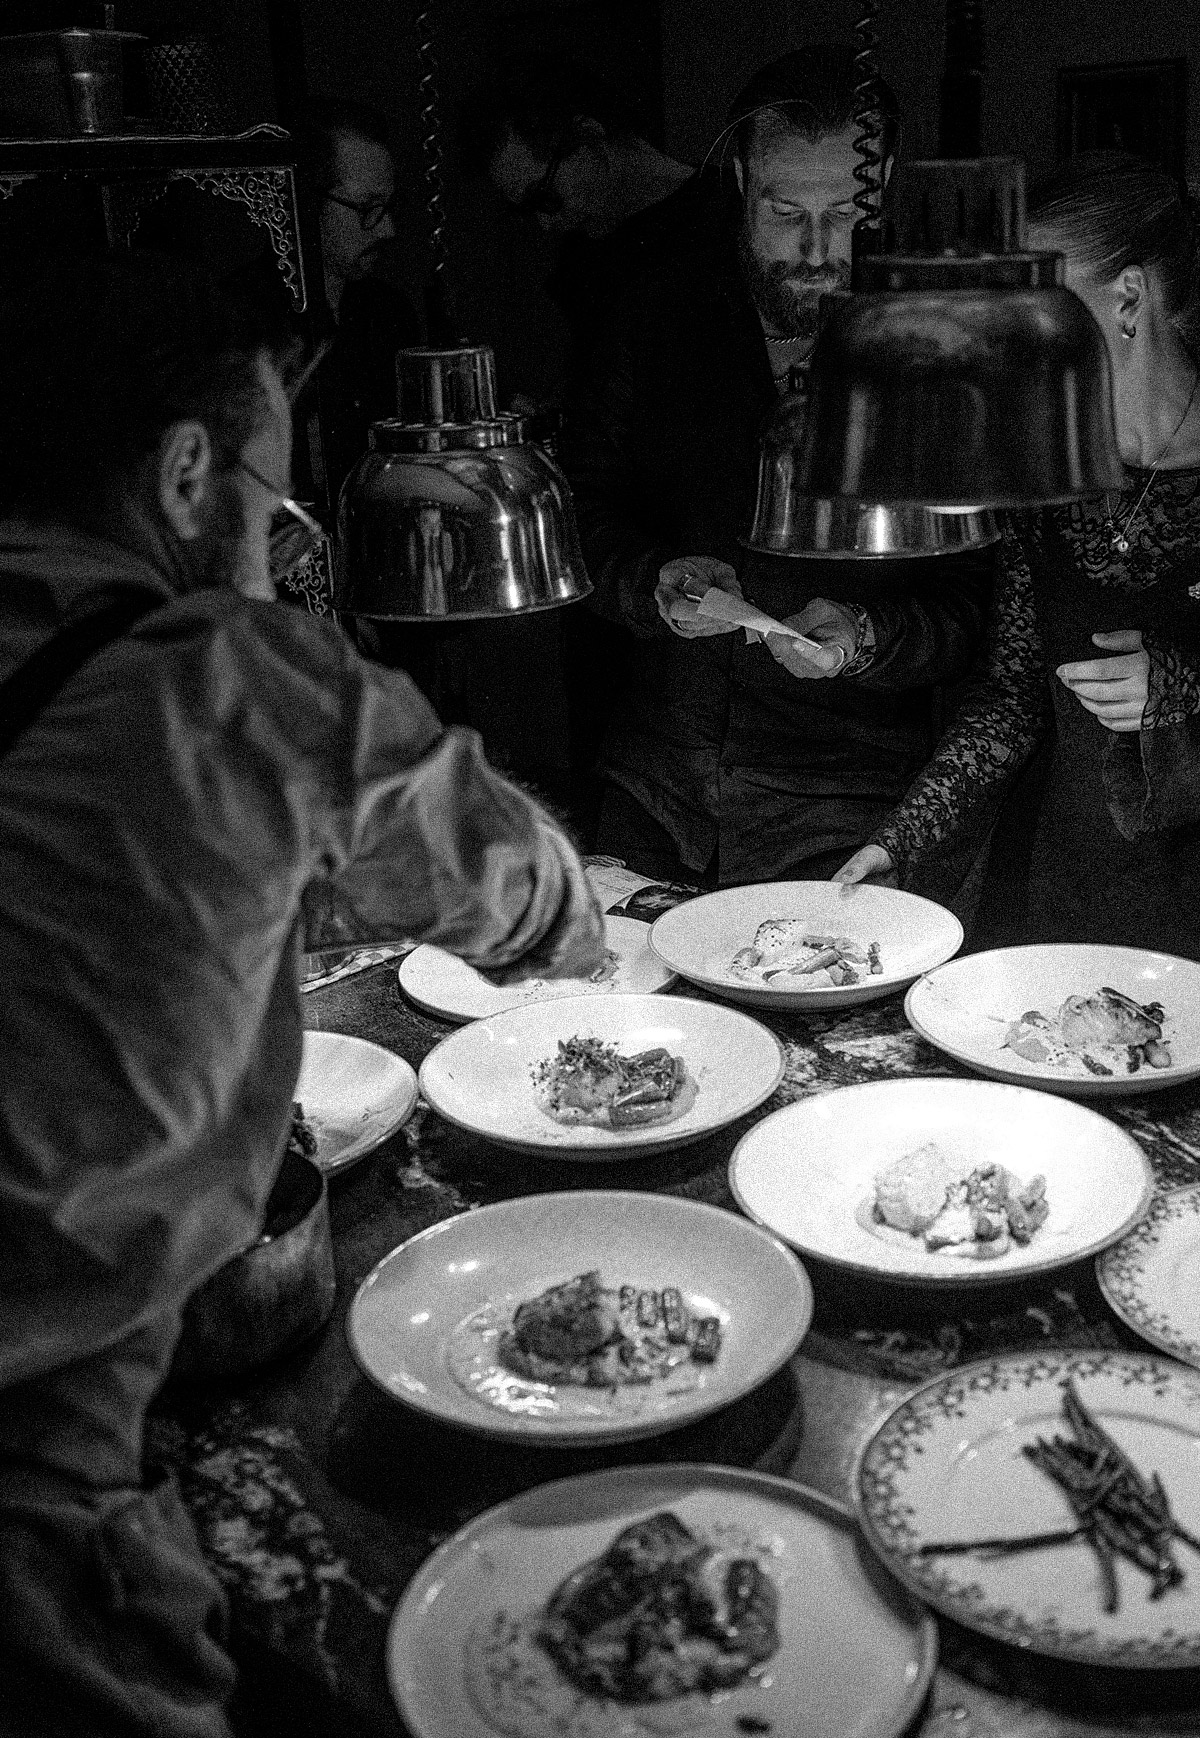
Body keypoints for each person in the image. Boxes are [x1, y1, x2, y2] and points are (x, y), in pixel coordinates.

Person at [0, 254, 604, 1738]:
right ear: (185, 473)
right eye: (276, 502)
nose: (281, 548)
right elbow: (525, 898)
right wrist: (551, 894)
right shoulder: (225, 676)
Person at [562, 43, 995, 886]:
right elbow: (579, 509)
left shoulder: (939, 341)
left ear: (884, 182)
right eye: (786, 211)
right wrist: (651, 582)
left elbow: (975, 599)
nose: (817, 247)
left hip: (845, 800)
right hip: (658, 785)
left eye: (845, 212)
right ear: (740, 181)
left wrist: (866, 636)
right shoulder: (655, 310)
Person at [836, 152, 1200, 957]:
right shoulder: (1047, 473)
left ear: (1128, 298)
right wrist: (903, 840)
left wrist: (1180, 689)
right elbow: (1013, 696)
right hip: (1057, 892)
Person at [241, 96, 421, 518]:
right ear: (306, 201)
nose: (387, 228)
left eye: (388, 207)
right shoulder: (245, 317)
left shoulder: (389, 314)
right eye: (367, 208)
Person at [466, 53, 694, 366]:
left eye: (544, 196)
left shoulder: (729, 215)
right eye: (528, 210)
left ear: (590, 135)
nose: (545, 223)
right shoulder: (580, 263)